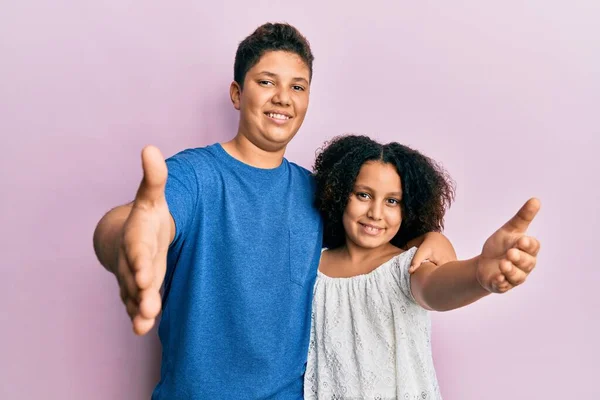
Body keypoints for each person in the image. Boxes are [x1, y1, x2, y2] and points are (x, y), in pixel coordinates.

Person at [92, 24, 457, 399]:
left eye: (297, 87)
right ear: (237, 93)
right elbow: (136, 221)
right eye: (267, 82)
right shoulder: (195, 175)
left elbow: (372, 240)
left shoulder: (318, 193)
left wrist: (430, 238)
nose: (283, 98)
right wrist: (131, 242)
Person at [304, 134, 541, 399]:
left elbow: (433, 287)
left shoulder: (407, 265)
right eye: (363, 195)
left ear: (409, 209)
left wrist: (477, 274)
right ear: (337, 194)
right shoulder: (313, 267)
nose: (376, 213)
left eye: (392, 201)